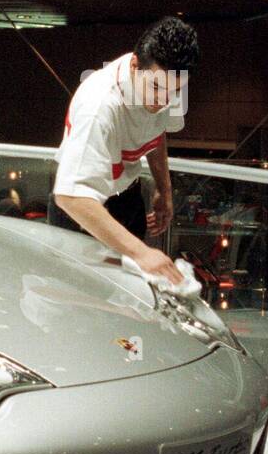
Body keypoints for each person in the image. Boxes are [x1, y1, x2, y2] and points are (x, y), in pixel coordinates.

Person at [49, 16, 199, 286]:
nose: (164, 100)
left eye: (175, 91)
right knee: (76, 303)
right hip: (84, 212)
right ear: (134, 65)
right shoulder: (99, 106)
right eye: (156, 87)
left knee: (127, 301)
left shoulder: (165, 86)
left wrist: (163, 190)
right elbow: (70, 196)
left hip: (127, 197)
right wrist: (141, 252)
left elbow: (157, 131)